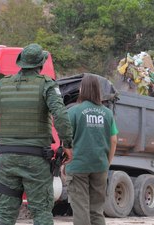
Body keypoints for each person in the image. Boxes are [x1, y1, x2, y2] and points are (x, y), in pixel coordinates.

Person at [0, 43, 73, 225]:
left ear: (22, 63)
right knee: (41, 212)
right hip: (36, 160)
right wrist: (67, 145)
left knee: (5, 214)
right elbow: (61, 116)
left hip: (7, 160)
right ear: (41, 64)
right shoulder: (47, 86)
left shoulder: (1, 85)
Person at [65, 74, 118, 225]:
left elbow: (66, 138)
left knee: (81, 208)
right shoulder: (107, 113)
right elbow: (114, 140)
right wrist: (107, 162)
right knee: (96, 210)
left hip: (78, 165)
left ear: (83, 89)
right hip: (100, 165)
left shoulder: (73, 112)